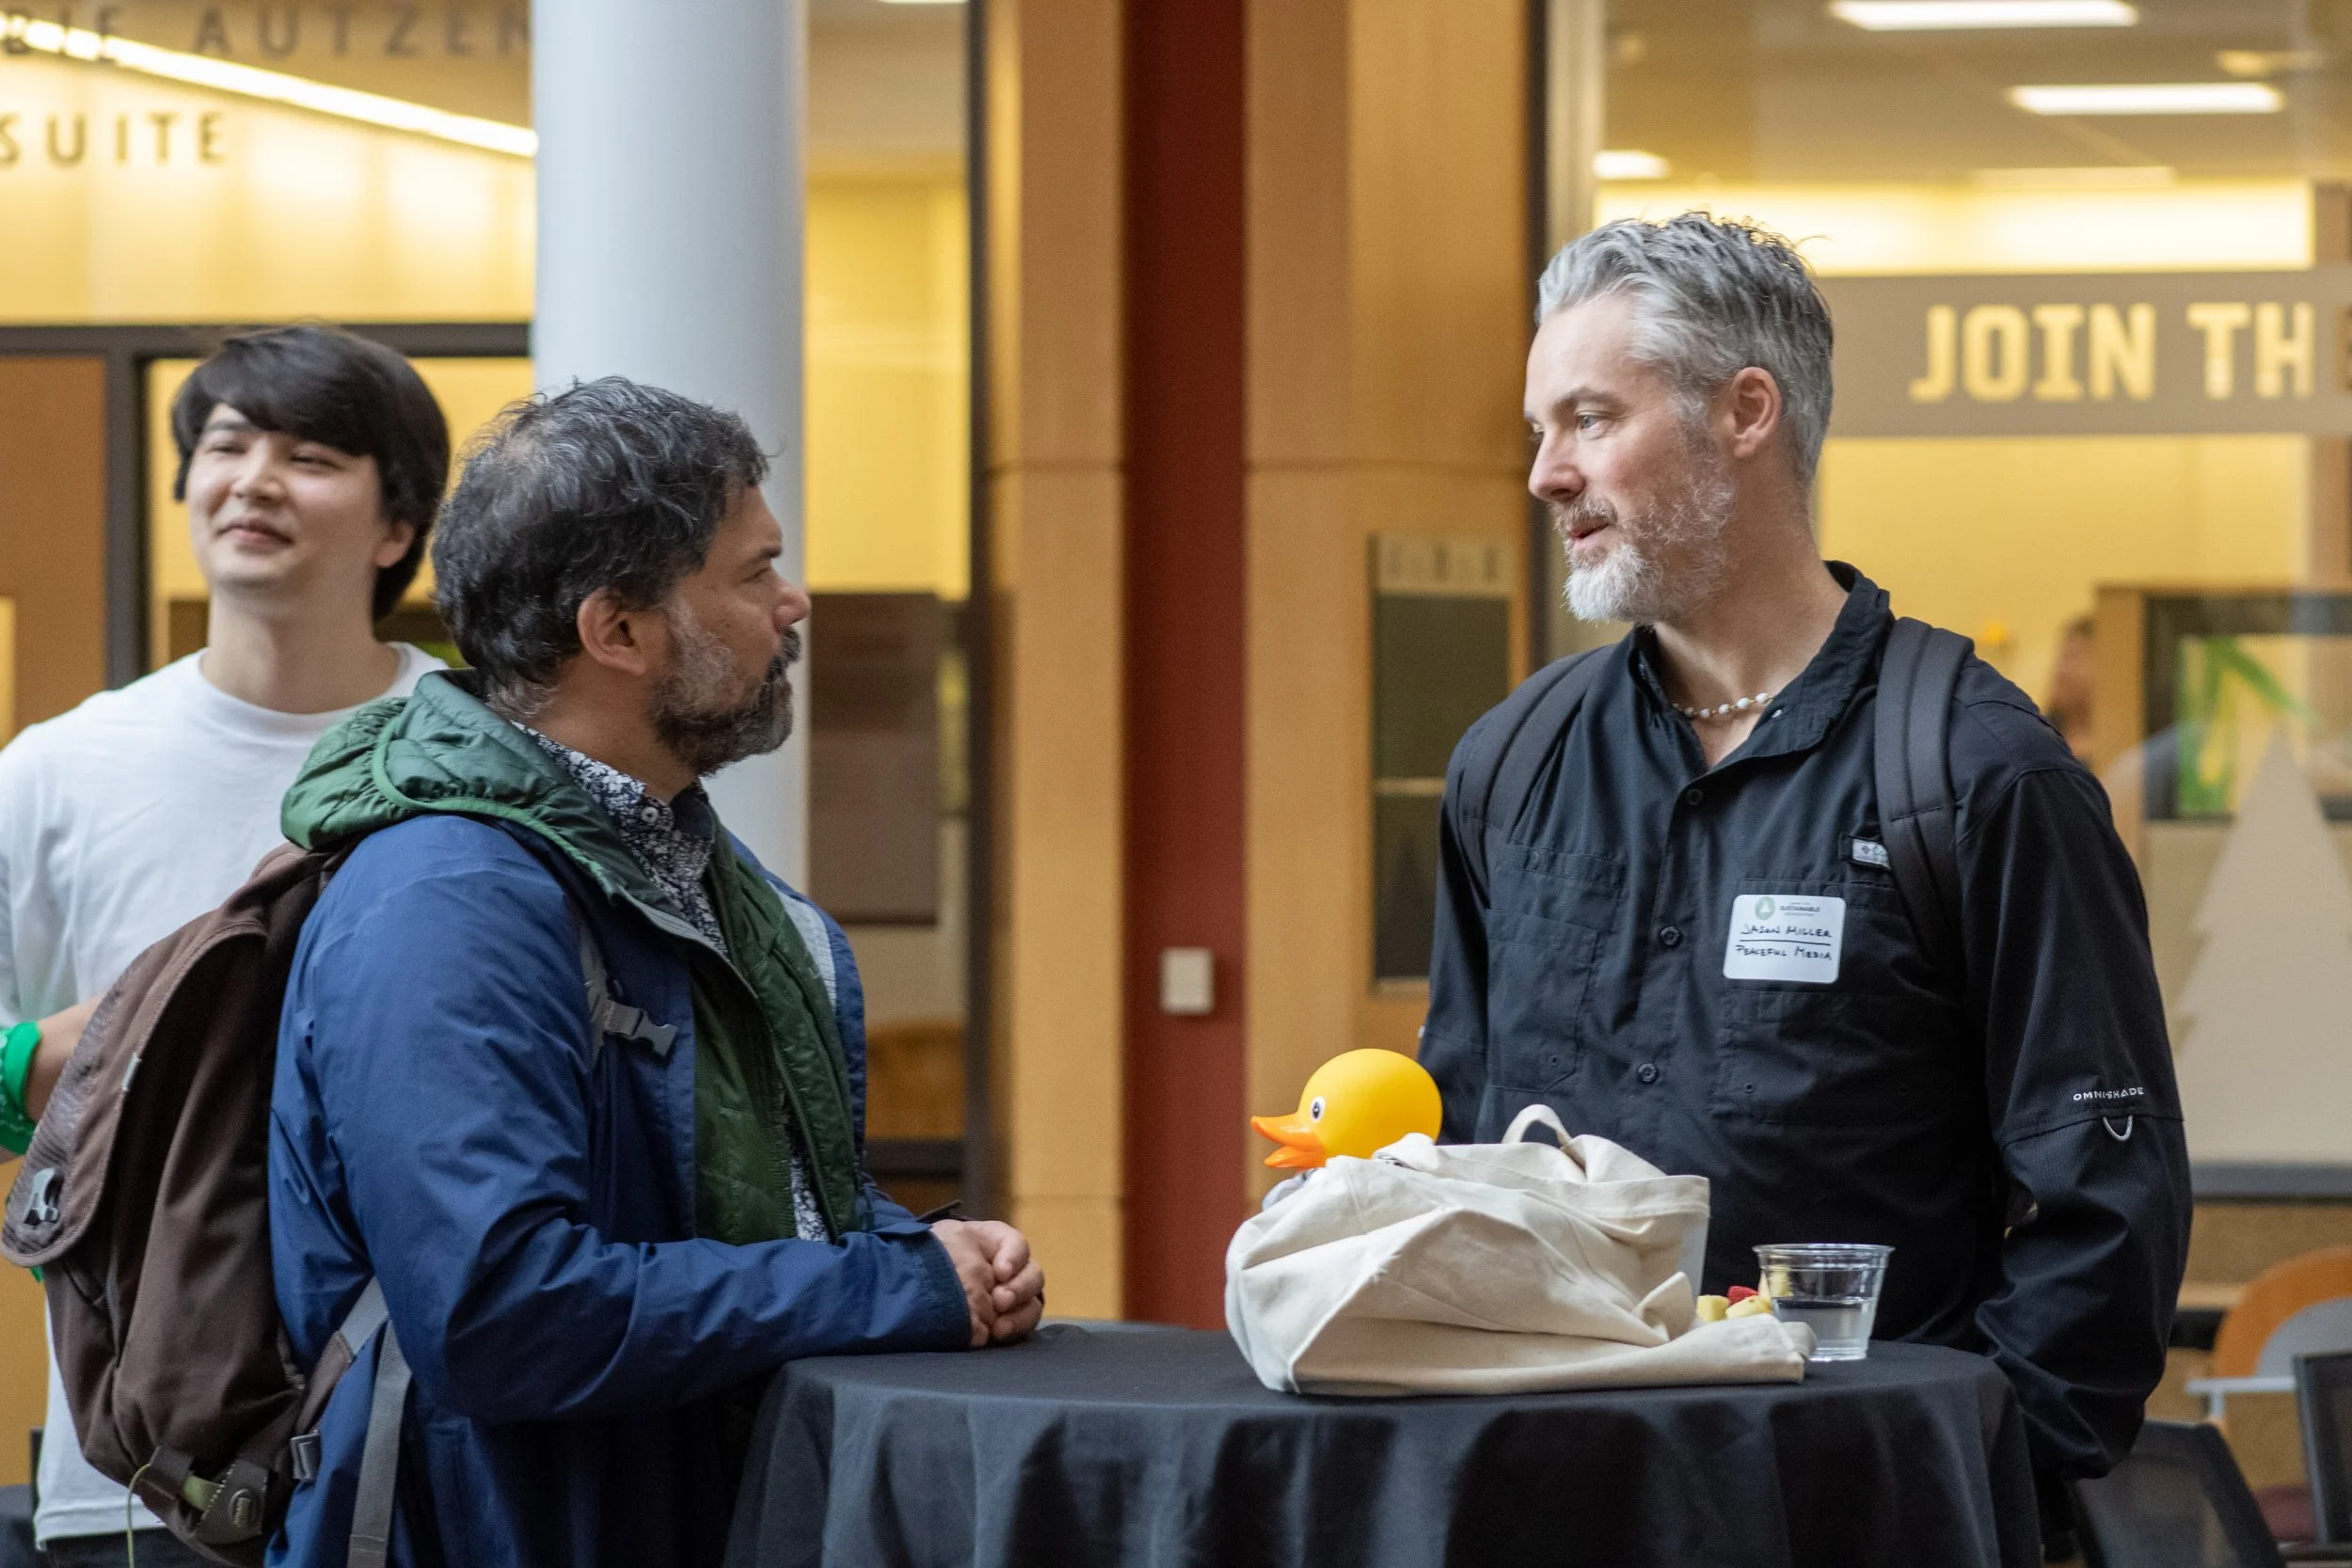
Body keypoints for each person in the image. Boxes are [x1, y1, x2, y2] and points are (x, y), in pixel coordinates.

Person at [1420, 214, 2190, 1556]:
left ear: (1745, 412)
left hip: (1855, 1513)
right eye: (1542, 429)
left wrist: (1974, 1472)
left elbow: (2102, 1208)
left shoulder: (1975, 774)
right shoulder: (1512, 765)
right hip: (1546, 1500)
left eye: (1591, 418)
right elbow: (1465, 1138)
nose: (1547, 473)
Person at [267, 376, 1042, 1568]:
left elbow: (713, 1198)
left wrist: (915, 1253)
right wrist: (897, 1290)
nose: (793, 604)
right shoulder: (445, 901)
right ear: (615, 629)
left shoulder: (675, 862)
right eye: (750, 572)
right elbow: (502, 1314)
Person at [0, 325, 453, 1566]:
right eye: (225, 445)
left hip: (441, 1445)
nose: (251, 479)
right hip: (136, 1467)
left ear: (397, 525)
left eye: (309, 455)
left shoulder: (478, 762)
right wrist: (61, 1062)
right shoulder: (59, 767)